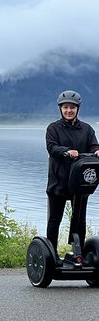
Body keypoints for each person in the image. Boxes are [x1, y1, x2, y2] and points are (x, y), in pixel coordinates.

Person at [45, 90, 99, 252]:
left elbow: (93, 145)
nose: (69, 110)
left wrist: (97, 151)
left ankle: (78, 253)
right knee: (55, 219)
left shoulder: (87, 129)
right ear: (60, 109)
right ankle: (51, 253)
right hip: (59, 181)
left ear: (77, 109)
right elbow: (52, 148)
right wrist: (67, 151)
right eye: (65, 107)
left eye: (72, 108)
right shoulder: (53, 128)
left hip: (80, 182)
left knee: (79, 219)